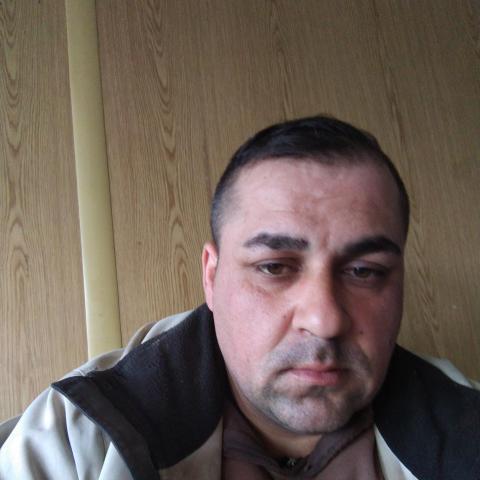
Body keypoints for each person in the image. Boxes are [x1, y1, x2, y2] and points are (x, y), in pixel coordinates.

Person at [1, 115, 479, 479]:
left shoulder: (467, 432)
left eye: (364, 271)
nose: (324, 319)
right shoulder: (74, 442)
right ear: (212, 277)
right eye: (274, 267)